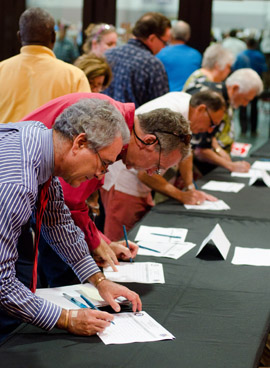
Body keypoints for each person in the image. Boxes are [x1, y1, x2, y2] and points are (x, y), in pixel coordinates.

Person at [0, 98, 142, 341]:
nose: (101, 174)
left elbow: (58, 223)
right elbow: (2, 283)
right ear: (80, 142)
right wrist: (65, 318)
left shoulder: (41, 142)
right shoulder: (17, 184)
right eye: (105, 163)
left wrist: (99, 281)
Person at [21, 92, 191, 286]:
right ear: (150, 141)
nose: (152, 173)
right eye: (159, 167)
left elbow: (65, 206)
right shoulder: (108, 127)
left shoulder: (114, 118)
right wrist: (95, 243)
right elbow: (69, 203)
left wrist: (101, 242)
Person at [101, 90, 225, 240]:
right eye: (212, 124)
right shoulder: (169, 115)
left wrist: (190, 187)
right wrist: (181, 195)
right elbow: (145, 175)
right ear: (201, 109)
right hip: (123, 185)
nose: (210, 130)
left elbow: (186, 153)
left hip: (137, 182)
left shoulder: (186, 108)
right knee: (121, 242)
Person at [0, 7, 90, 123]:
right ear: (53, 37)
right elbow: (84, 123)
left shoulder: (1, 70)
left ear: (19, 37)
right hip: (51, 141)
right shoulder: (74, 76)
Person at [185, 68, 264, 174]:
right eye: (246, 99)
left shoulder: (218, 91)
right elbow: (200, 150)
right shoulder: (215, 101)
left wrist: (218, 149)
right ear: (235, 88)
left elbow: (208, 137)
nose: (245, 104)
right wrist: (231, 166)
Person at [103, 12, 171, 107]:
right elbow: (161, 110)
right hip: (133, 121)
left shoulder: (107, 55)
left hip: (102, 119)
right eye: (165, 42)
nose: (165, 47)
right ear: (152, 39)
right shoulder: (152, 65)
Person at [233, 37, 267, 136]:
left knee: (242, 106)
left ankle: (243, 130)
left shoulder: (240, 55)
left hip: (241, 85)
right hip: (255, 85)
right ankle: (253, 130)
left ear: (247, 43)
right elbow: (264, 70)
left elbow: (235, 69)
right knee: (254, 107)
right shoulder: (259, 56)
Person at [156, 20, 202, 91]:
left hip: (166, 97)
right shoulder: (196, 55)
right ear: (188, 36)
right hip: (188, 97)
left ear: (171, 34)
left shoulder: (161, 53)